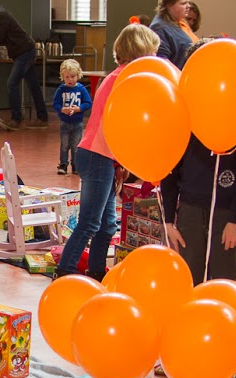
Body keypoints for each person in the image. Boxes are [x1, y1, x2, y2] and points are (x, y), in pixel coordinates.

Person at [54, 23, 162, 280]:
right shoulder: (125, 79)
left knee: (106, 225)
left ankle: (95, 271)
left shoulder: (117, 76)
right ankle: (64, 271)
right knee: (91, 221)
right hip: (98, 155)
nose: (155, 57)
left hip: (102, 156)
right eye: (153, 51)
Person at [161, 38, 236, 285]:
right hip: (190, 209)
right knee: (188, 279)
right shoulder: (182, 111)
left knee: (225, 280)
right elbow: (168, 165)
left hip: (227, 211)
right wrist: (168, 220)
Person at [0, 0, 48, 131]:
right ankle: (42, 117)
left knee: (12, 83)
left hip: (24, 52)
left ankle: (16, 119)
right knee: (33, 85)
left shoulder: (0, 15)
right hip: (23, 50)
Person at [52, 59, 92, 175]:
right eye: (67, 77)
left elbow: (88, 103)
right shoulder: (61, 90)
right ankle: (63, 164)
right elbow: (55, 104)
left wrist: (78, 109)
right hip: (64, 122)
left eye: (73, 77)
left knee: (76, 145)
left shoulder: (81, 89)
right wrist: (62, 109)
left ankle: (76, 165)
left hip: (77, 123)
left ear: (78, 75)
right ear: (63, 77)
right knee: (64, 144)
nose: (70, 80)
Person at [150, 0, 196, 69]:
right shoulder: (159, 28)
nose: (188, 6)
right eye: (183, 3)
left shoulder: (179, 22)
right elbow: (162, 60)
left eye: (188, 2)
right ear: (169, 5)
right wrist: (179, 74)